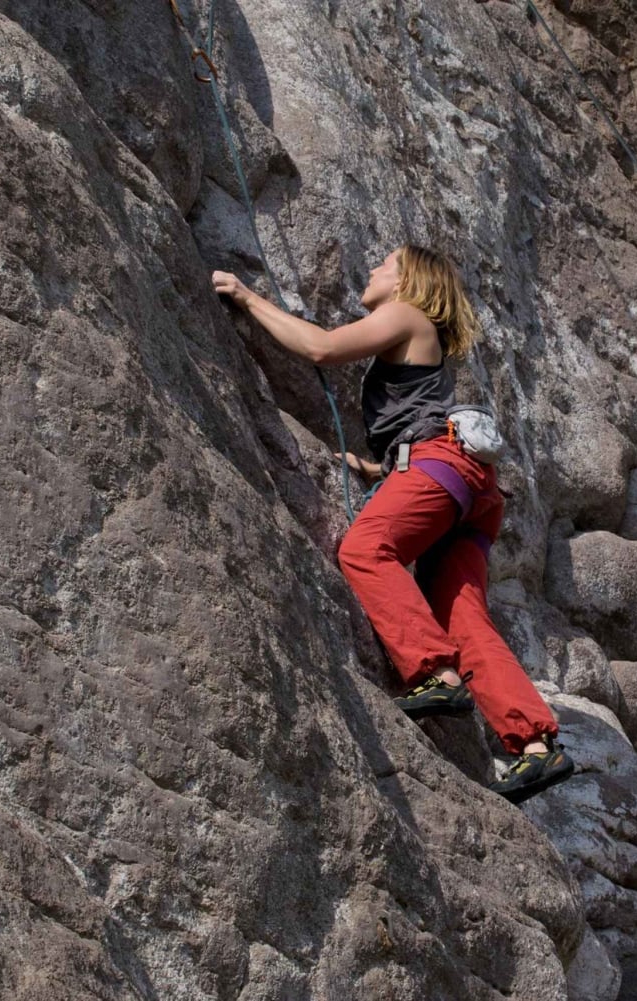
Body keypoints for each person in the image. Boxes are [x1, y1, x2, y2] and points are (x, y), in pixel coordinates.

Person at [212, 245, 573, 803]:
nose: (373, 268)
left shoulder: (407, 314)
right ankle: (536, 743)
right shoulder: (424, 341)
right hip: (472, 487)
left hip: (441, 467)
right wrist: (375, 468)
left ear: (409, 281)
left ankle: (434, 675)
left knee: (365, 549)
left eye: (385, 264)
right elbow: (418, 420)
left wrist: (245, 297)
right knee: (461, 619)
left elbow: (322, 348)